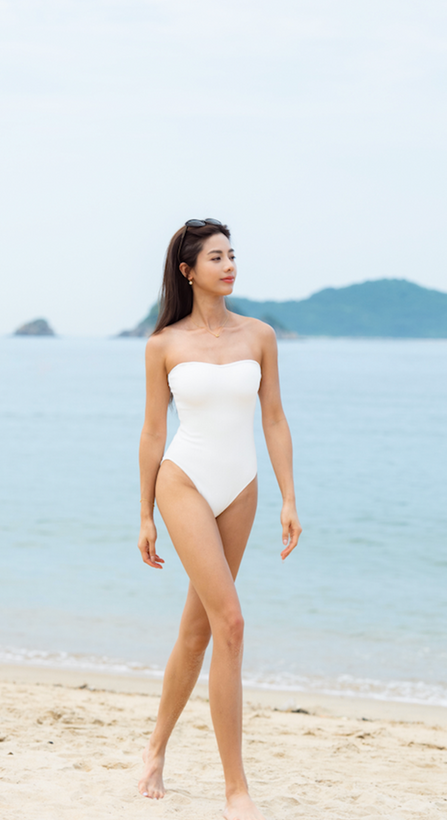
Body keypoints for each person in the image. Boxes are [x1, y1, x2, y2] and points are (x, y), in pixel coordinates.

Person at [138, 218, 302, 820]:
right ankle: (237, 789)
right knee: (230, 621)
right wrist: (145, 513)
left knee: (199, 630)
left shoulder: (259, 335)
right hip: (182, 481)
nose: (229, 265)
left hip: (242, 488)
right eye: (216, 257)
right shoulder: (163, 344)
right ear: (189, 271)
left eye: (232, 254)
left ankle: (154, 750)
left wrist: (288, 497)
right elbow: (155, 430)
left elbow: (275, 419)